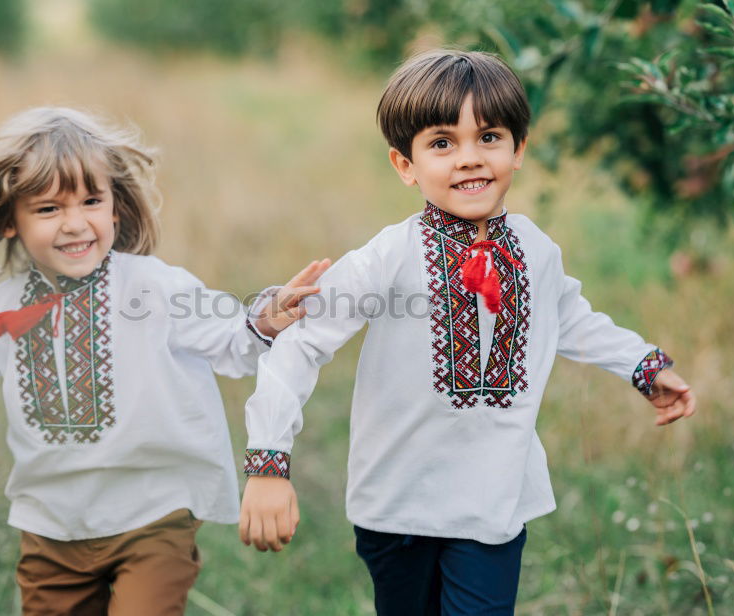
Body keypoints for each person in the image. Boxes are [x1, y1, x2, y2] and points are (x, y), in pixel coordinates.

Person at [238, 49, 696, 615]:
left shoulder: (535, 249)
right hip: (396, 500)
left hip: (493, 497)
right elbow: (301, 344)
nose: (469, 159)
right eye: (441, 143)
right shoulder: (389, 256)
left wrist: (642, 365)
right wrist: (268, 462)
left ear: (519, 148)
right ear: (405, 165)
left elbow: (570, 316)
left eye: (489, 137)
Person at [0, 106, 330, 615]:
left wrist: (266, 319)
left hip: (155, 512)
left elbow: (232, 338)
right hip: (51, 527)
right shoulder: (0, 314)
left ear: (115, 209)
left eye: (91, 201)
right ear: (11, 221)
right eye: (49, 209)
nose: (75, 224)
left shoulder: (154, 288)